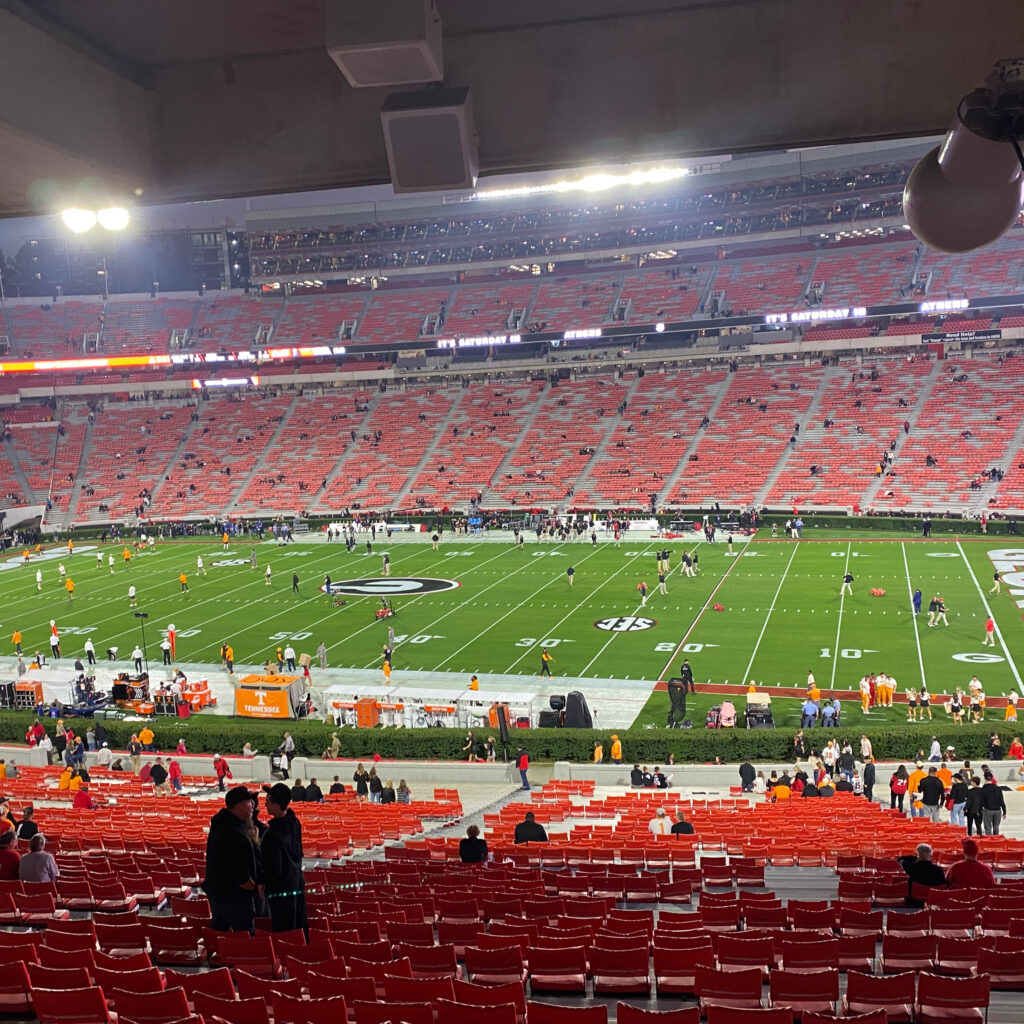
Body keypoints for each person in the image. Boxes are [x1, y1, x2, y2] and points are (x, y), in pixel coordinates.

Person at [202, 786, 260, 932]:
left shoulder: (221, 823)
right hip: (234, 897)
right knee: (245, 935)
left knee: (219, 930)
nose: (253, 804)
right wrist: (257, 886)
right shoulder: (235, 834)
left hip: (217, 892)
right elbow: (241, 878)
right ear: (240, 805)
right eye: (249, 802)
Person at [260, 782, 307, 935]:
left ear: (276, 804)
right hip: (296, 882)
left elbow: (274, 869)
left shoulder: (272, 834)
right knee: (298, 924)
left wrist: (262, 883)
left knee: (284, 929)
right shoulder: (295, 823)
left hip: (280, 890)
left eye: (269, 800)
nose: (266, 803)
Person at [899, 843, 947, 907]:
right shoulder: (938, 870)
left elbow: (901, 859)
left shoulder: (912, 867)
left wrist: (917, 857)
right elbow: (943, 885)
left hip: (915, 900)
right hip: (933, 901)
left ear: (918, 854)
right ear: (931, 854)